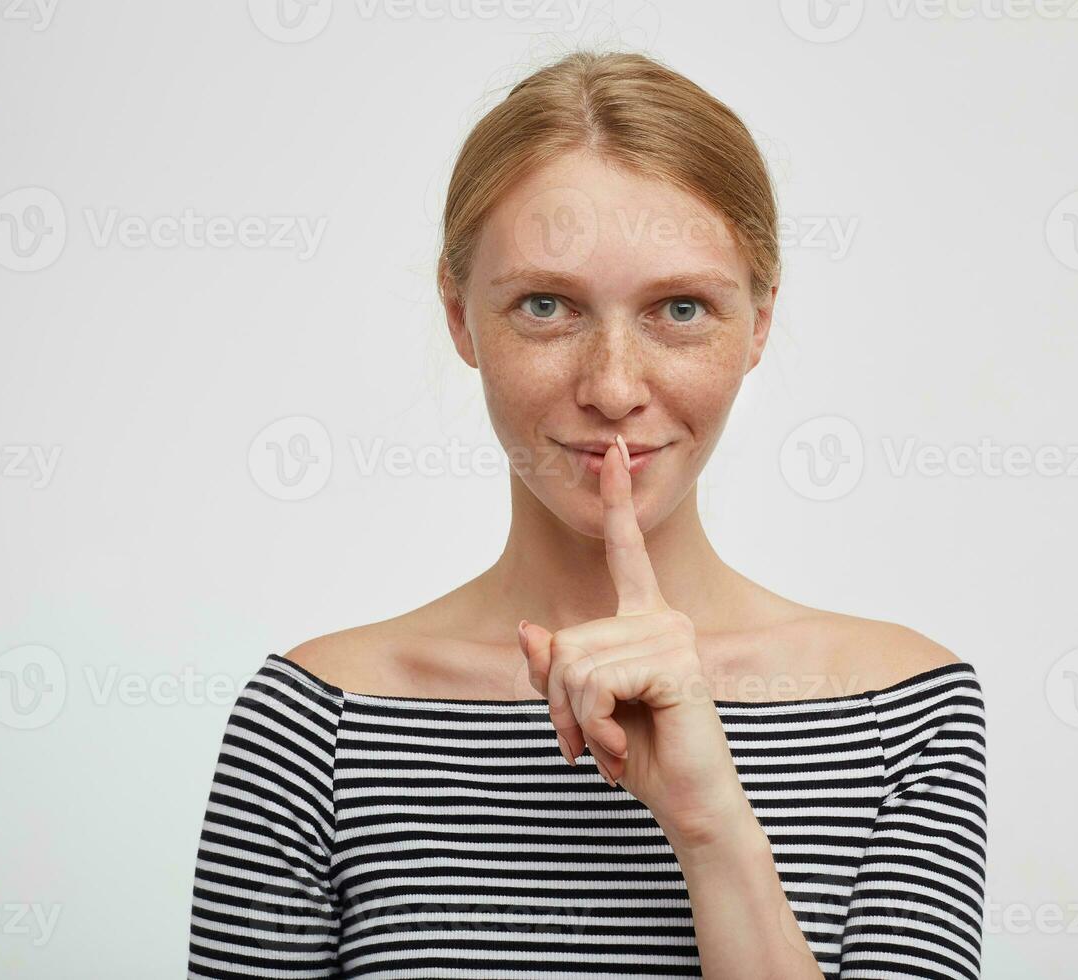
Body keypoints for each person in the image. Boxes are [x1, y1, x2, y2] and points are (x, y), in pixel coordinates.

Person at [188, 49, 987, 979]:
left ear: (760, 323)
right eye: (545, 306)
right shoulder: (316, 723)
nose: (612, 387)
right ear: (459, 317)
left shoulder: (902, 711)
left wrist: (711, 825)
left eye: (680, 309)